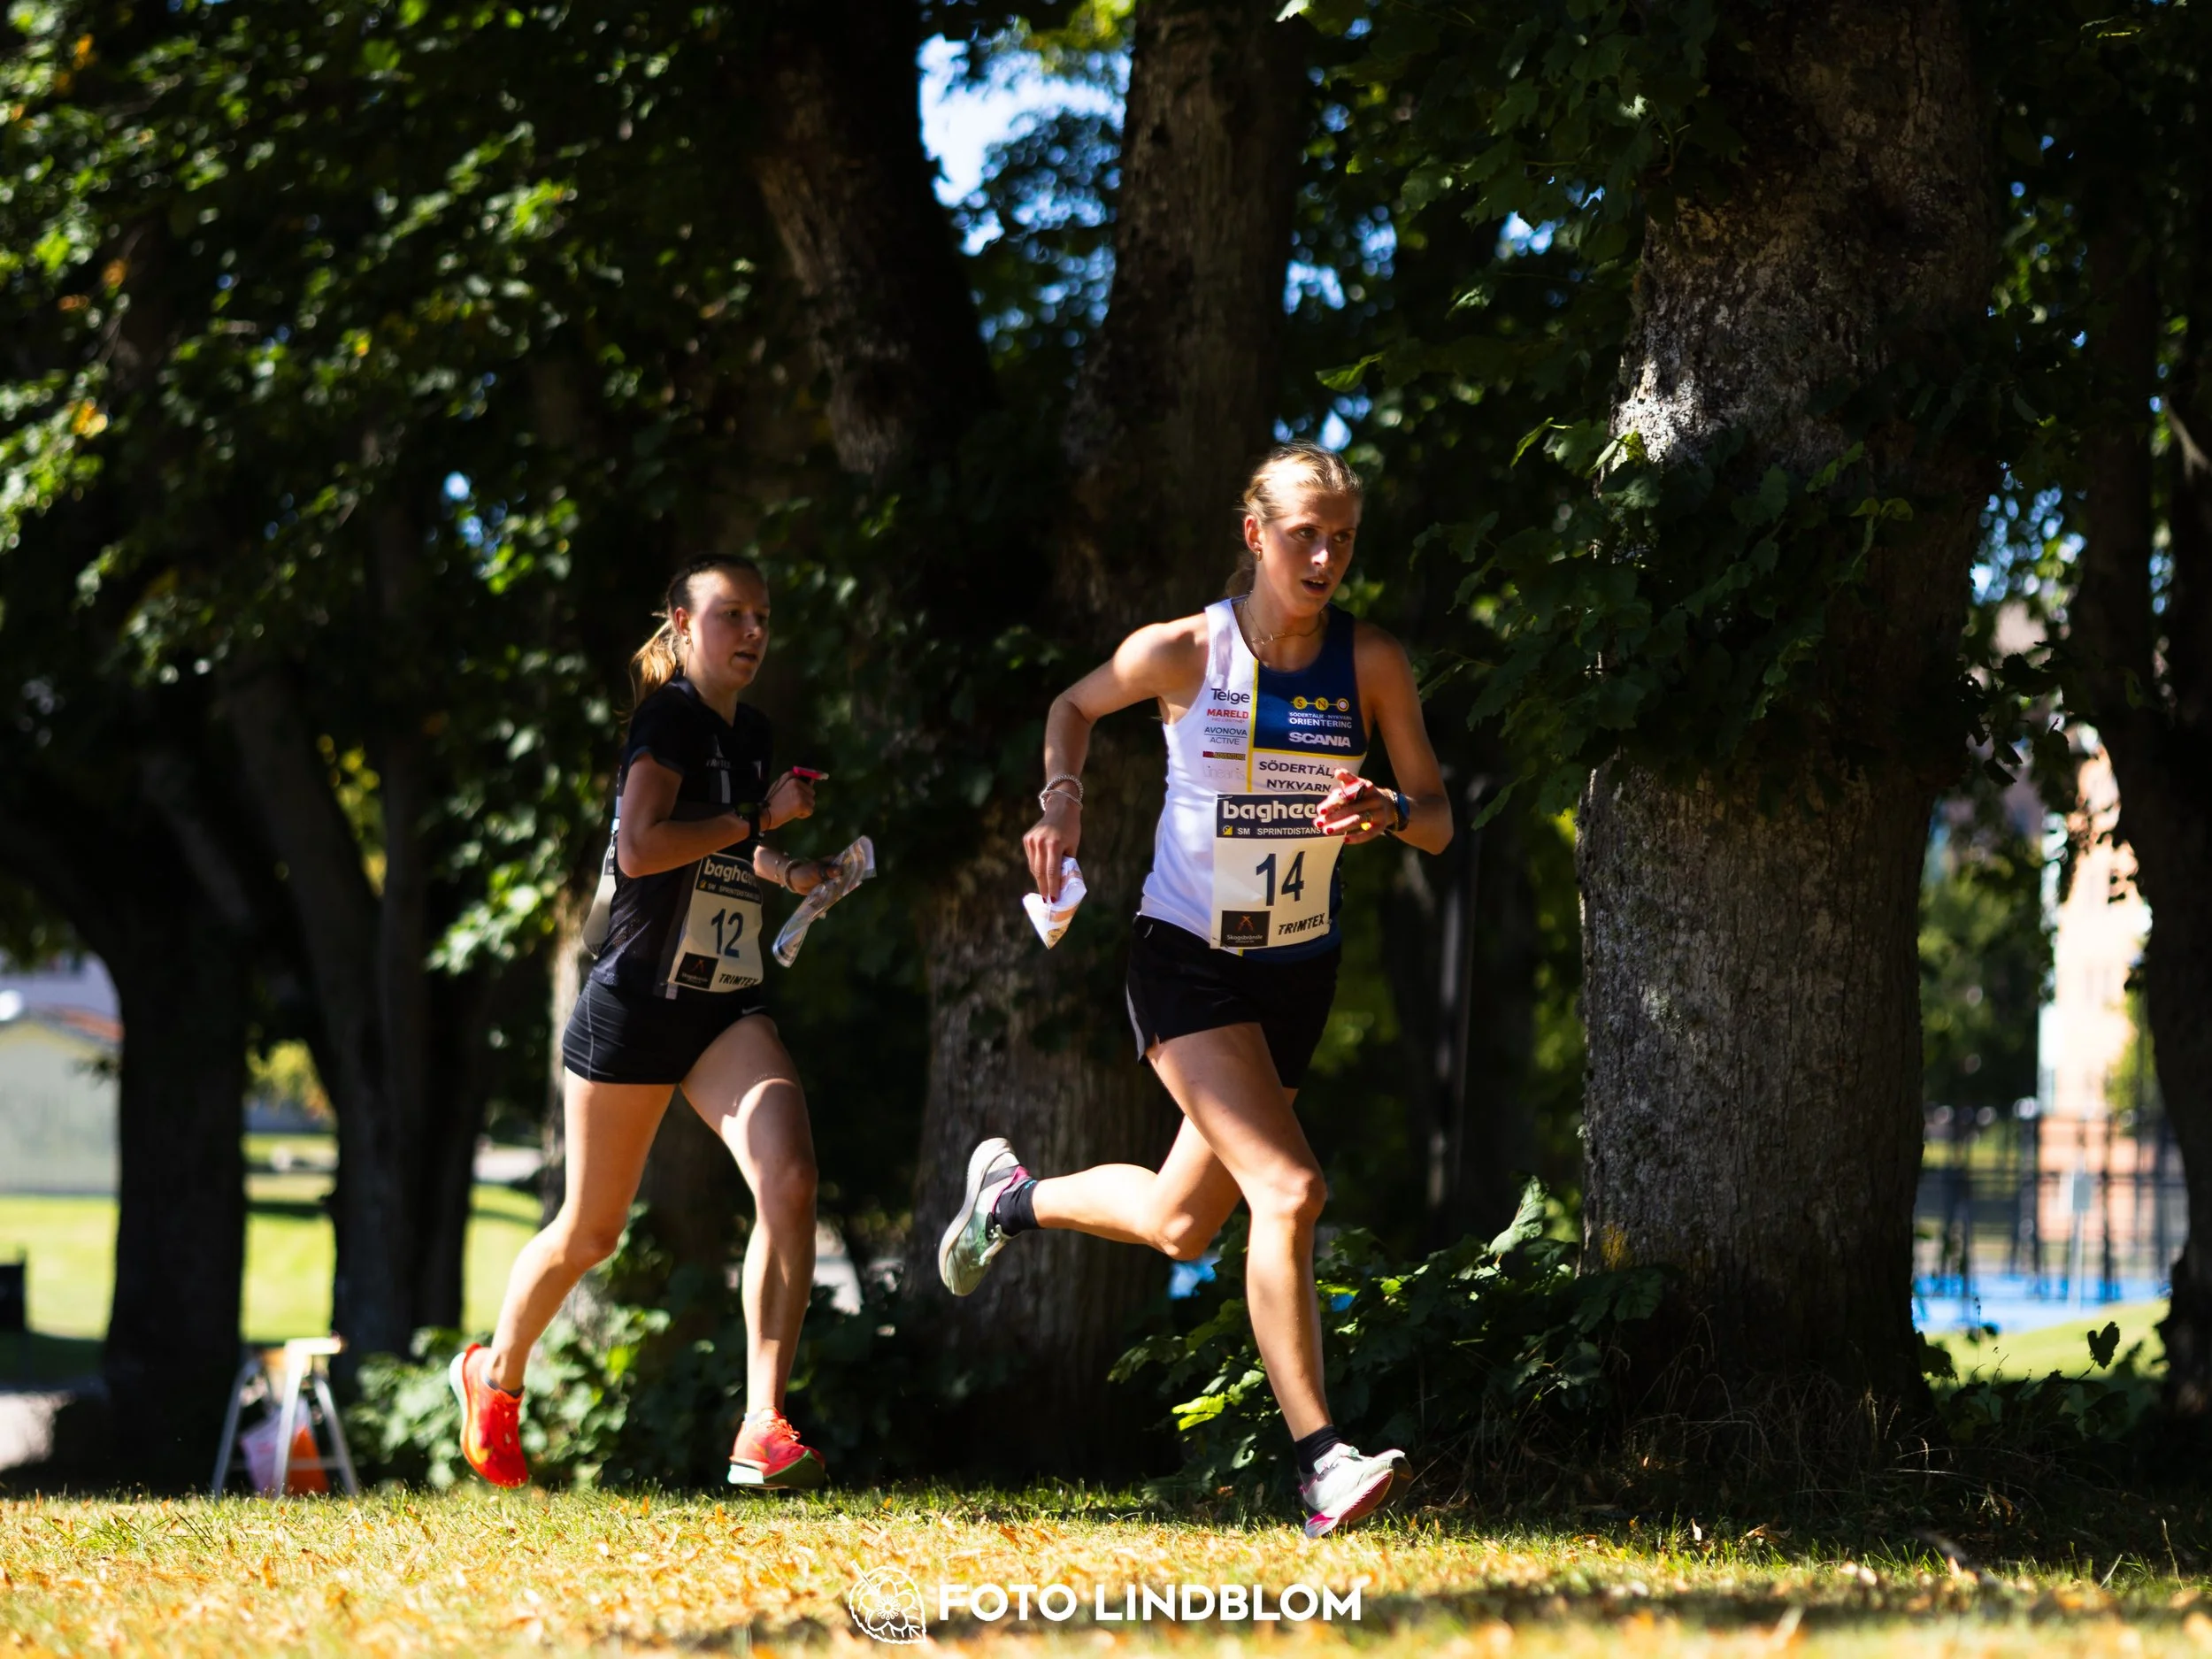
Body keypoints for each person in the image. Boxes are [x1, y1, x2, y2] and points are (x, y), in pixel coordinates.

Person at [935, 442, 1454, 1539]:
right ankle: (1320, 1462)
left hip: (1296, 973)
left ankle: (1009, 1200)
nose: (1325, 556)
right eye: (1305, 534)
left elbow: (1438, 813)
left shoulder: (1372, 664)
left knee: (1180, 1225)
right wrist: (1063, 802)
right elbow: (1072, 706)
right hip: (1185, 960)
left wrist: (1389, 816)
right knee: (1291, 1192)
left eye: (1344, 538)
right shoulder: (1187, 650)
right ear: (1255, 534)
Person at [451, 556, 837, 1492]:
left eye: (762, 615)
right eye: (730, 614)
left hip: (720, 1005)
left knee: (788, 1180)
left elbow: (734, 855)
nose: (751, 631)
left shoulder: (754, 732)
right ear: (680, 623)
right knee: (591, 1232)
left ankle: (760, 1423)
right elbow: (640, 847)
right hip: (633, 1007)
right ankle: (493, 1376)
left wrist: (794, 872)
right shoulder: (665, 721)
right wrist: (754, 817)